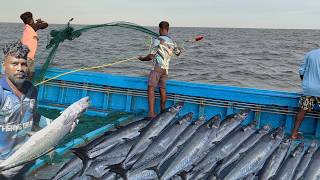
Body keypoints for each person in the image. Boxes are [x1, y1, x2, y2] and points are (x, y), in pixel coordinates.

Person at [0, 41, 52, 179]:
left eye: (23, 64)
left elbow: (33, 116)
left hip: (26, 158)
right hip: (3, 163)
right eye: (14, 63)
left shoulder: (32, 90)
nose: (20, 68)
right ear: (4, 66)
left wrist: (54, 125)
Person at [139, 21, 181, 118]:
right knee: (162, 89)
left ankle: (152, 113)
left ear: (160, 29)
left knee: (151, 88)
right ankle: (163, 111)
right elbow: (178, 53)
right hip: (165, 70)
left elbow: (150, 56)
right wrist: (178, 48)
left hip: (157, 68)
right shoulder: (172, 42)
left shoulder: (157, 40)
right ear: (168, 29)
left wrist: (142, 59)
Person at [291, 48, 320, 139]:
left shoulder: (311, 53)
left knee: (303, 110)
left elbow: (301, 72)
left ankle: (294, 134)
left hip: (309, 89)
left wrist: (308, 83)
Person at [20, 11, 48, 80]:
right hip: (27, 57)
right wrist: (40, 21)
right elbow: (46, 25)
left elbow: (35, 26)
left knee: (31, 75)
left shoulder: (28, 28)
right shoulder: (32, 28)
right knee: (27, 76)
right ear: (31, 20)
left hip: (27, 57)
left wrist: (37, 23)